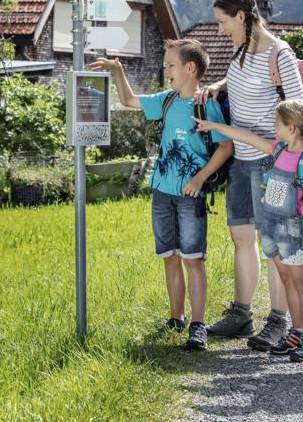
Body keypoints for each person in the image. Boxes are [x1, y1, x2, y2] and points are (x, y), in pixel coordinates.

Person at [91, 39, 233, 351]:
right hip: (162, 193)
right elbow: (128, 100)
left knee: (193, 260)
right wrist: (117, 69)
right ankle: (176, 318)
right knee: (169, 256)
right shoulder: (166, 101)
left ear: (190, 68)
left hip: (190, 195)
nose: (165, 70)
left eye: (170, 65)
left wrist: (200, 178)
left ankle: (198, 326)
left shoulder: (205, 104)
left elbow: (226, 146)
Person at [198, 0, 303, 351]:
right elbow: (244, 81)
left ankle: (278, 320)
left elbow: (301, 111)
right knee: (241, 237)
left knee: (274, 243)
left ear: (242, 17)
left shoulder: (281, 54)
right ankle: (242, 314)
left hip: (272, 162)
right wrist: (218, 84)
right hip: (241, 161)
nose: (219, 29)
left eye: (222, 21)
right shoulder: (241, 50)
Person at [195, 99, 303, 361]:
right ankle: (296, 331)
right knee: (286, 280)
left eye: (277, 123)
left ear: (293, 127)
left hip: (293, 229)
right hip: (271, 226)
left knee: (301, 282)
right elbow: (247, 137)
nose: (273, 127)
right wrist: (213, 125)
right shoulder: (279, 149)